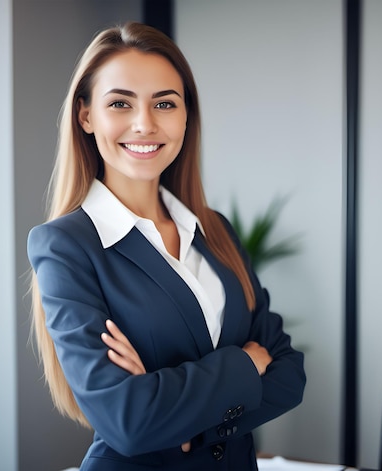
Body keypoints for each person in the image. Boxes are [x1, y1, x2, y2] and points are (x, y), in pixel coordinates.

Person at [27, 21, 306, 471]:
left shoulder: (216, 232)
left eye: (164, 103)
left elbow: (289, 373)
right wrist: (242, 365)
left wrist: (172, 409)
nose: (145, 124)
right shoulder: (65, 248)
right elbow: (129, 422)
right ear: (85, 115)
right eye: (120, 103)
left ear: (185, 116)